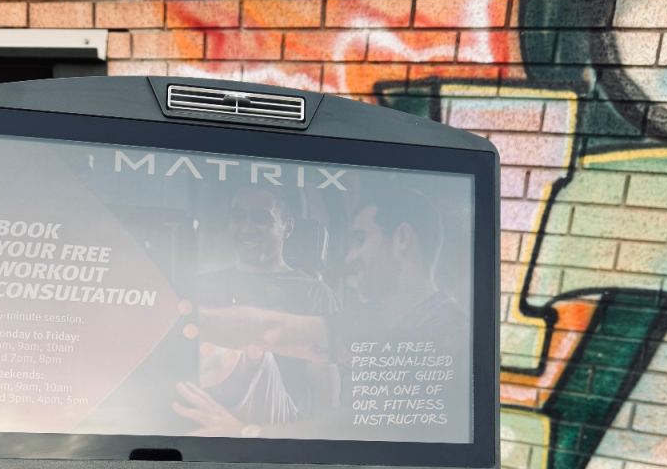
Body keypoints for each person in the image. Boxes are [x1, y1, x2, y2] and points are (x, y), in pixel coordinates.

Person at [174, 180, 470, 443]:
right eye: (238, 216)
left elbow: (348, 423)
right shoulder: (375, 323)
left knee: (257, 358)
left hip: (287, 436)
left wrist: (244, 433)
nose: (349, 257)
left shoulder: (452, 335)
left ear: (402, 239)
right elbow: (278, 331)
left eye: (359, 240)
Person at [173, 186, 339, 435]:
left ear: (287, 226)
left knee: (253, 352)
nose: (247, 227)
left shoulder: (314, 292)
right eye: (239, 217)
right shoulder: (201, 285)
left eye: (261, 218)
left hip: (279, 423)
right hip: (202, 405)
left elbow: (325, 393)